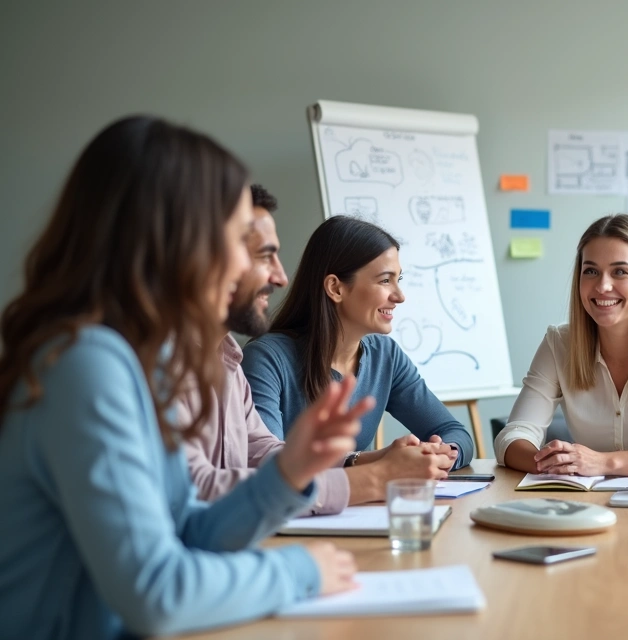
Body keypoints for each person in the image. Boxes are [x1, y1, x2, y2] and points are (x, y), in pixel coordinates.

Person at [0, 116, 369, 638]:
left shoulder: (137, 359)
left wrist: (289, 472)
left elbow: (187, 529)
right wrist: (301, 571)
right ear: (175, 240)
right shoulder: (86, 364)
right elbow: (157, 592)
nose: (252, 268)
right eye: (238, 240)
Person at [181, 185, 454, 515]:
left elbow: (263, 452)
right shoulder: (161, 365)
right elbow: (201, 488)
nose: (281, 276)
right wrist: (374, 477)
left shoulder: (227, 361)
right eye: (264, 256)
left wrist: (375, 460)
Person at [243, 215, 473, 469]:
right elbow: (269, 464)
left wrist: (440, 455)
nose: (399, 296)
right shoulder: (266, 358)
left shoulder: (386, 356)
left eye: (399, 280)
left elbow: (454, 432)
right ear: (336, 288)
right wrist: (376, 461)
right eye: (385, 280)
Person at [495, 214, 628, 476]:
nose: (602, 286)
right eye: (591, 271)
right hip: (585, 506)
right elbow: (512, 436)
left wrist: (602, 463)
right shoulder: (559, 343)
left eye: (620, 271)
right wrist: (555, 463)